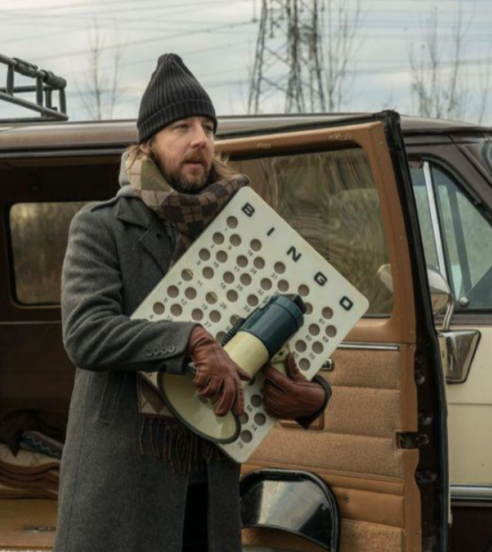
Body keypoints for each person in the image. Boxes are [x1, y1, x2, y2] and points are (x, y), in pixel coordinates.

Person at [55, 53, 332, 552]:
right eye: (181, 126)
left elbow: (295, 340)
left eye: (207, 126)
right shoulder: (100, 227)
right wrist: (191, 340)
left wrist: (315, 400)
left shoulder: (247, 230)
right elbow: (86, 333)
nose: (200, 139)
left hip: (211, 486)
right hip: (124, 490)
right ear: (148, 144)